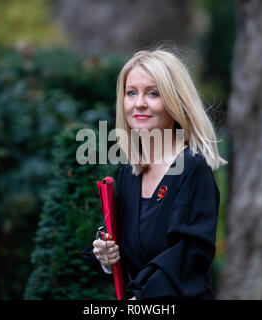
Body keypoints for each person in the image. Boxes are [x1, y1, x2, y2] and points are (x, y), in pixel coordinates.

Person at [81, 47, 227, 300]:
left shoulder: (192, 168)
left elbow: (187, 255)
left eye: (153, 93)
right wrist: (106, 255)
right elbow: (132, 248)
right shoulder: (130, 172)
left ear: (175, 101)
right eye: (131, 93)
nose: (139, 103)